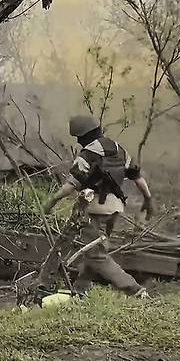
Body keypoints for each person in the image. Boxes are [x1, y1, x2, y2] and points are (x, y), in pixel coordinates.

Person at [42, 114, 156, 298]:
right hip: (115, 209)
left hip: (95, 210)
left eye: (78, 138)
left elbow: (72, 184)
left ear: (83, 136)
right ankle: (80, 290)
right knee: (93, 250)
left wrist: (52, 200)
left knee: (96, 255)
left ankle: (135, 290)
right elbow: (136, 176)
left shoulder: (88, 154)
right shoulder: (119, 149)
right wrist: (148, 199)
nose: (78, 141)